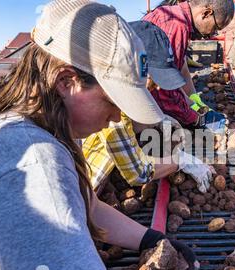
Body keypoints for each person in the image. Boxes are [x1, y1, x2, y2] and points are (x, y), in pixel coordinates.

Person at [0, 0, 196, 270]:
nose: (117, 117)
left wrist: (148, 238)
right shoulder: (35, 164)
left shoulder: (35, 127)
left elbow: (83, 201)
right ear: (67, 82)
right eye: (112, 102)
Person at [83, 20, 214, 192]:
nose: (158, 87)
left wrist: (158, 120)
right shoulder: (112, 102)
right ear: (133, 67)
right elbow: (138, 173)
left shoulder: (115, 85)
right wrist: (182, 161)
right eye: (154, 77)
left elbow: (131, 123)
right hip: (83, 193)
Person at [143, 0, 235, 131]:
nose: (212, 35)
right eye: (215, 28)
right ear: (206, 13)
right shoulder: (176, 24)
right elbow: (163, 91)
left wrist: (194, 99)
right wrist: (196, 119)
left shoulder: (175, 16)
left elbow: (181, 67)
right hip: (141, 107)